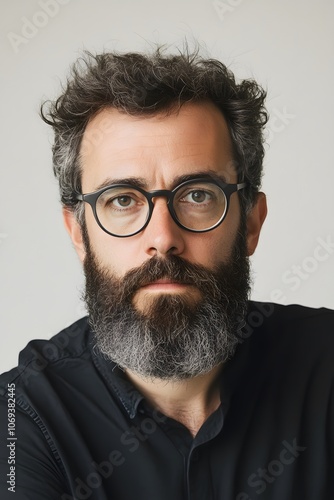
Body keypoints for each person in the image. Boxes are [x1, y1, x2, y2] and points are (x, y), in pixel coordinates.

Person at [0, 46, 333, 500]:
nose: (163, 237)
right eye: (122, 199)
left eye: (197, 195)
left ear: (251, 222)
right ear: (79, 233)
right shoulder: (20, 418)